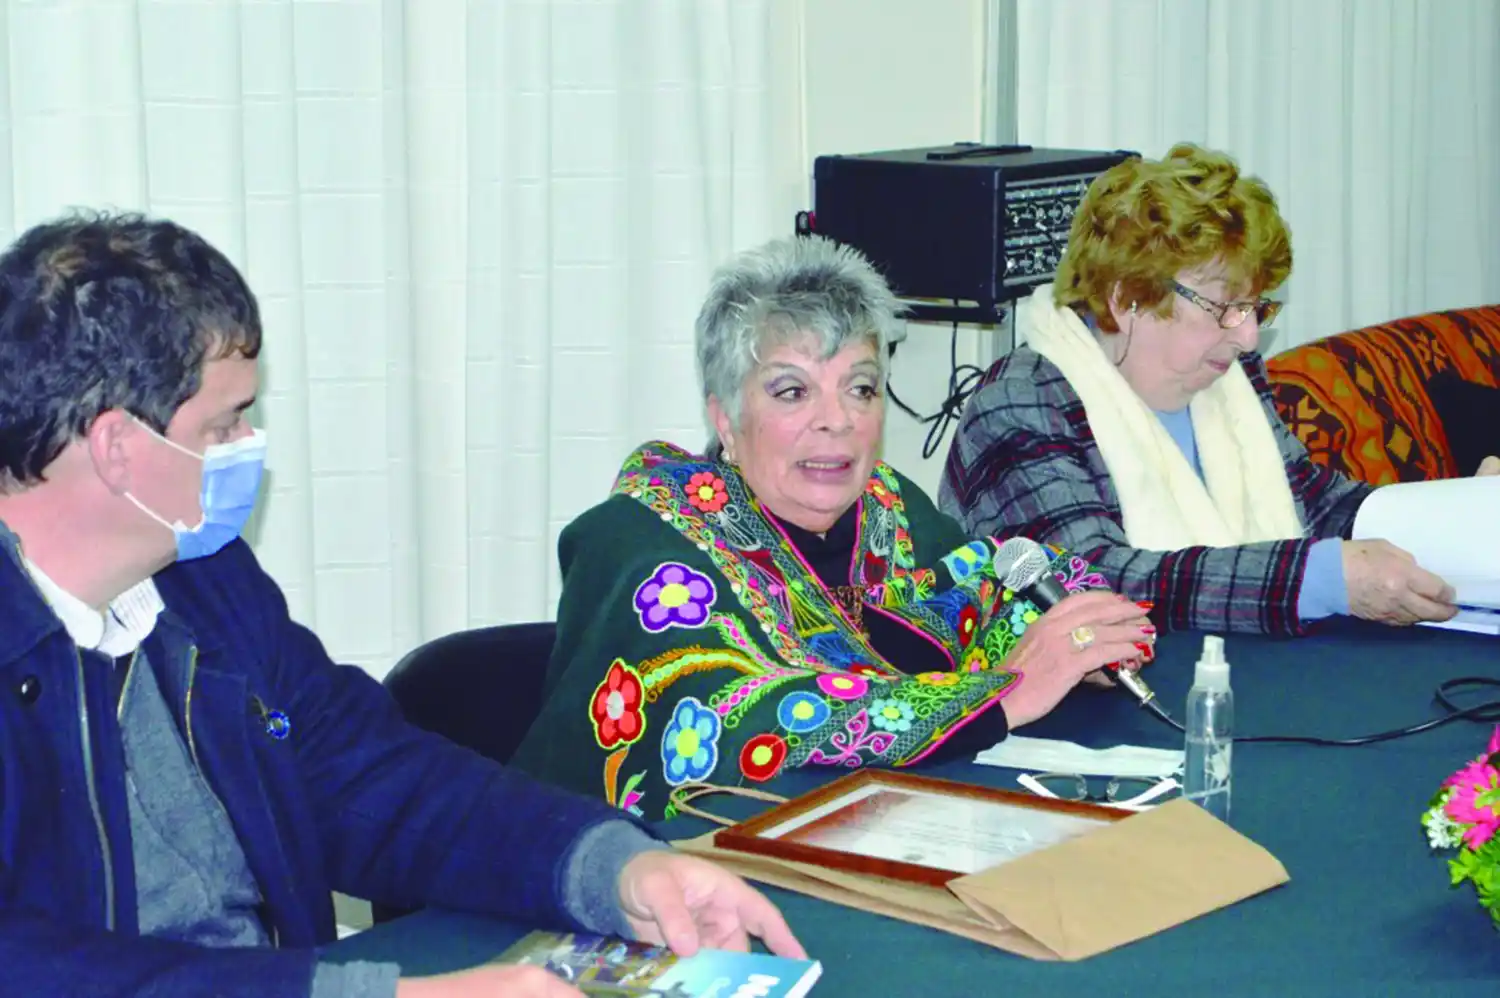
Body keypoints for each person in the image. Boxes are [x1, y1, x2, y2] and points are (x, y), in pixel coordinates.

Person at [0, 212, 802, 998]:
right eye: (226, 422)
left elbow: (372, 779)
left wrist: (612, 867)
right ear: (118, 447)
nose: (250, 447)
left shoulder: (207, 586)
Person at [508, 235, 1152, 818]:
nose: (837, 420)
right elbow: (737, 719)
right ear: (726, 418)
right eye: (792, 392)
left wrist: (1074, 645)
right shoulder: (640, 542)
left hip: (890, 827)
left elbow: (985, 592)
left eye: (860, 389)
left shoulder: (888, 507)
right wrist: (1004, 693)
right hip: (653, 872)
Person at [938, 143, 1500, 636]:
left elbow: (1312, 499)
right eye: (1225, 307)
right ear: (1127, 298)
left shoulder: (1230, 378)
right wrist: (1319, 579)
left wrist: (1455, 516)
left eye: (1255, 308)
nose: (1249, 336)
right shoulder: (1020, 403)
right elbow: (1091, 580)